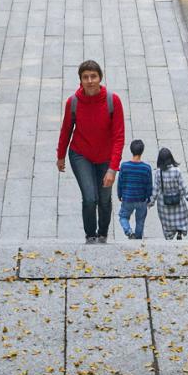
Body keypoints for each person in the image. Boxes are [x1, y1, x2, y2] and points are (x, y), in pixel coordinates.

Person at [55, 59, 125, 243]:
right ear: (80, 80)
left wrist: (113, 169)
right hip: (81, 154)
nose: (90, 80)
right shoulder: (73, 102)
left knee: (104, 198)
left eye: (93, 76)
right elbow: (66, 130)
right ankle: (90, 236)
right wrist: (60, 155)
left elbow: (119, 137)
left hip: (106, 157)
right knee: (89, 198)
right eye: (85, 77)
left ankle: (102, 234)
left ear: (100, 78)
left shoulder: (113, 101)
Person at [153, 147, 188, 240]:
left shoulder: (158, 173)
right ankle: (180, 231)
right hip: (178, 201)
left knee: (167, 223)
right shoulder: (177, 171)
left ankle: (169, 237)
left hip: (164, 204)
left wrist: (150, 202)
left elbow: (155, 190)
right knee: (180, 218)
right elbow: (183, 187)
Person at [116, 139, 154, 240]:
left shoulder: (124, 166)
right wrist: (148, 198)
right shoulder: (146, 168)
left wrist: (119, 195)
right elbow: (149, 185)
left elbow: (120, 182)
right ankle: (137, 239)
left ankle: (129, 231)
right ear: (142, 151)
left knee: (123, 217)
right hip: (141, 199)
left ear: (131, 150)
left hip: (127, 198)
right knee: (140, 221)